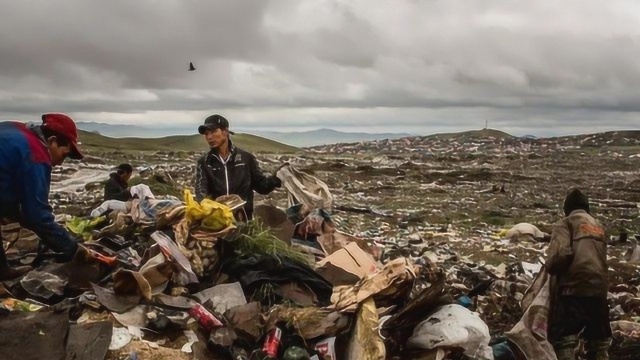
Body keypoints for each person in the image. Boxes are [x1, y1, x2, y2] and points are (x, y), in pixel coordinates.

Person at [0, 114, 87, 280]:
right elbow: (37, 215)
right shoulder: (37, 153)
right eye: (63, 155)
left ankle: (2, 270)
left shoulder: (16, 129)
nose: (60, 163)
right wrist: (73, 248)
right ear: (53, 141)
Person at [546, 188, 610, 360]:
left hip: (573, 289)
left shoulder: (566, 223)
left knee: (564, 339)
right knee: (598, 342)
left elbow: (561, 255)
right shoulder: (599, 227)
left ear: (567, 208)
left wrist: (549, 268)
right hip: (599, 291)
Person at [194, 114, 282, 220]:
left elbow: (261, 187)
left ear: (225, 131)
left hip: (243, 220)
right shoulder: (205, 162)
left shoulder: (246, 159)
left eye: (213, 132)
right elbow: (201, 190)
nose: (209, 137)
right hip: (217, 223)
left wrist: (276, 179)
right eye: (206, 134)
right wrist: (208, 208)